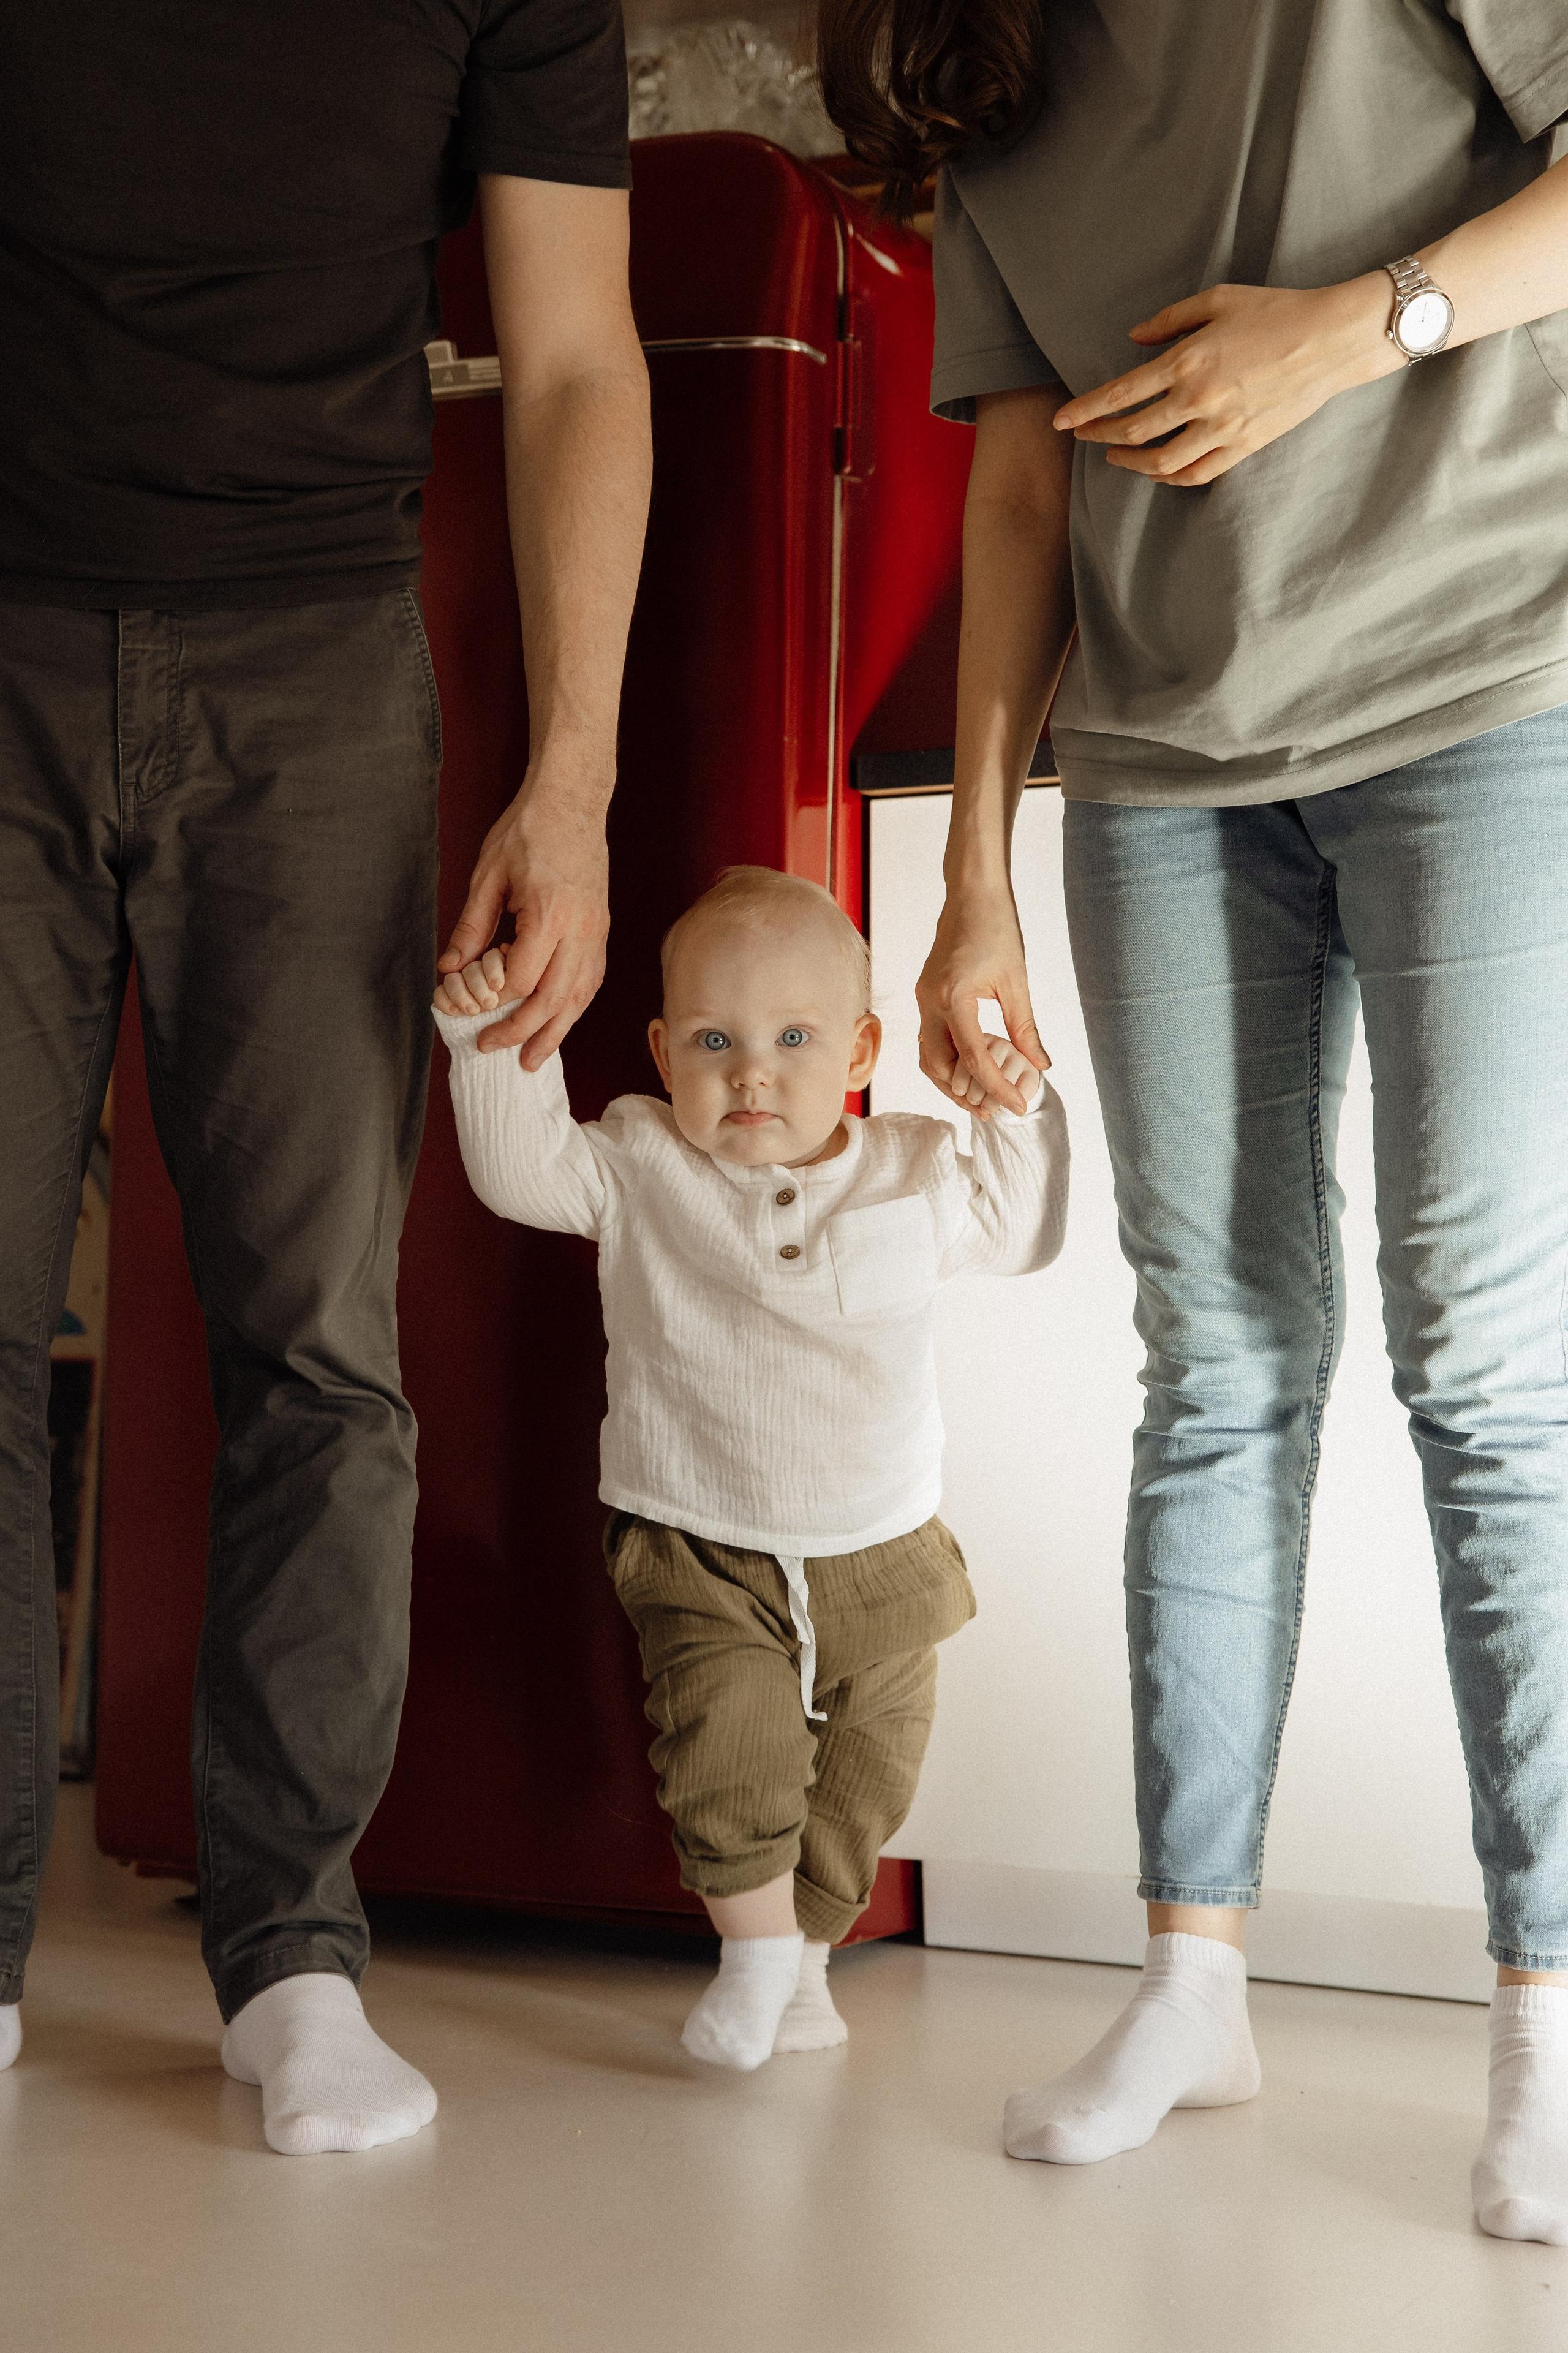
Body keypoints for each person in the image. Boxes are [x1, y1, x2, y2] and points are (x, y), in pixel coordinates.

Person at [819, 0, 1568, 2243]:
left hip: (1487, 686)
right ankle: (1191, 1980)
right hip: (1161, 765)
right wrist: (971, 874)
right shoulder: (971, 52)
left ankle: (1548, 2022)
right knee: (1219, 1361)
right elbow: (1021, 479)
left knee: (1483, 1357)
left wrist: (1361, 326)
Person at [0, 2, 651, 2155]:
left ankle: (293, 1957)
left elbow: (575, 358)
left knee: (316, 1346)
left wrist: (573, 788)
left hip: (314, 666)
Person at [431, 866, 1069, 2067]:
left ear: (862, 1049)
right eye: (715, 1041)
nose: (751, 1074)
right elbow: (519, 1174)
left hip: (882, 1540)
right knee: (727, 1750)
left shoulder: (914, 1167)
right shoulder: (641, 1160)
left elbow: (1023, 1231)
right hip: (696, 1533)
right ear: (664, 1053)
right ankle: (758, 1954)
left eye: (792, 1039)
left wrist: (1012, 1106)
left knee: (871, 1769)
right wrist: (487, 1039)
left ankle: (805, 1956)